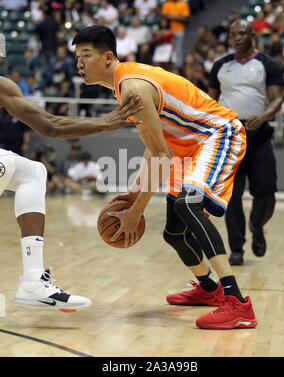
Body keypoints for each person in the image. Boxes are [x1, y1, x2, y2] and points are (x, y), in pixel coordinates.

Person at [72, 25, 258, 329]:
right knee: (173, 233)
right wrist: (134, 196)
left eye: (86, 55)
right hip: (185, 146)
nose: (79, 63)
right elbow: (155, 149)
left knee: (189, 205)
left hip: (217, 134)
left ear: (107, 57)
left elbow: (159, 157)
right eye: (77, 56)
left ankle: (237, 303)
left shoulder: (132, 89)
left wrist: (136, 212)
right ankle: (209, 290)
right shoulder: (125, 83)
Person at [0, 54, 143, 311]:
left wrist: (104, 123)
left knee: (33, 172)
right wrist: (104, 122)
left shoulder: (4, 86)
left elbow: (50, 125)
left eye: (1, 58)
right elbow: (51, 126)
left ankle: (33, 282)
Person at [208, 20, 284, 266]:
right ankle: (237, 247)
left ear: (252, 35)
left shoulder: (267, 64)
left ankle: (257, 226)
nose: (236, 38)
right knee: (232, 197)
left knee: (267, 192)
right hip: (230, 137)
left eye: (241, 34)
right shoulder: (221, 65)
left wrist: (263, 116)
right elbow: (210, 102)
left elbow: (277, 99)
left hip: (259, 134)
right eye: (232, 35)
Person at [160, 0, 190, 70]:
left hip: (179, 30)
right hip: (168, 31)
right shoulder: (167, 3)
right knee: (168, 48)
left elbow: (185, 18)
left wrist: (170, 17)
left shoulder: (183, 4)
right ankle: (167, 66)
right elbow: (164, 16)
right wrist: (177, 17)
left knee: (178, 49)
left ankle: (178, 67)